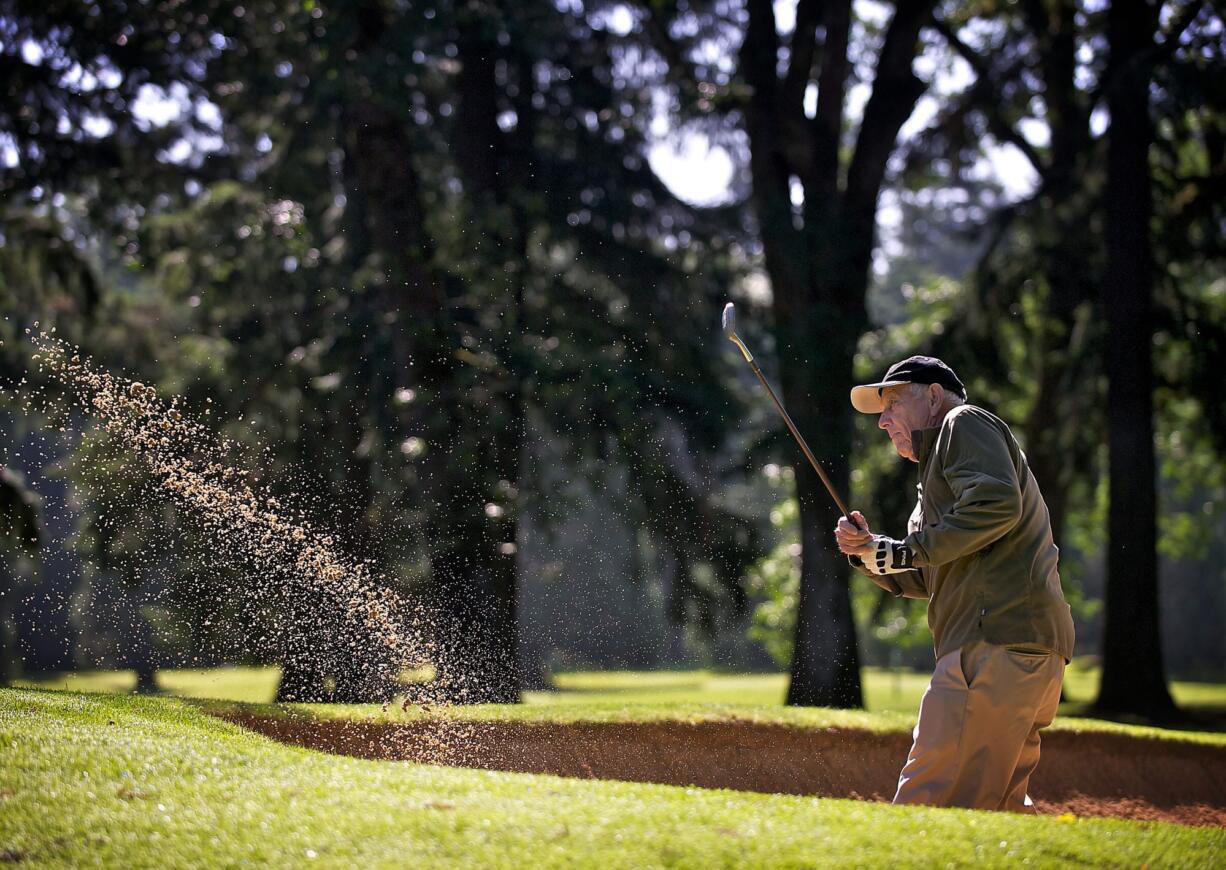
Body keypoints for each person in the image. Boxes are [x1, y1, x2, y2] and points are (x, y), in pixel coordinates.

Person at [834, 355, 1075, 812]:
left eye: (893, 402)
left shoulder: (961, 422)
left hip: (992, 645)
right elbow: (927, 573)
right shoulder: (934, 479)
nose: (883, 421)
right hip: (1020, 648)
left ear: (933, 395)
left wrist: (904, 549)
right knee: (993, 813)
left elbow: (997, 505)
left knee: (930, 800)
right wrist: (869, 552)